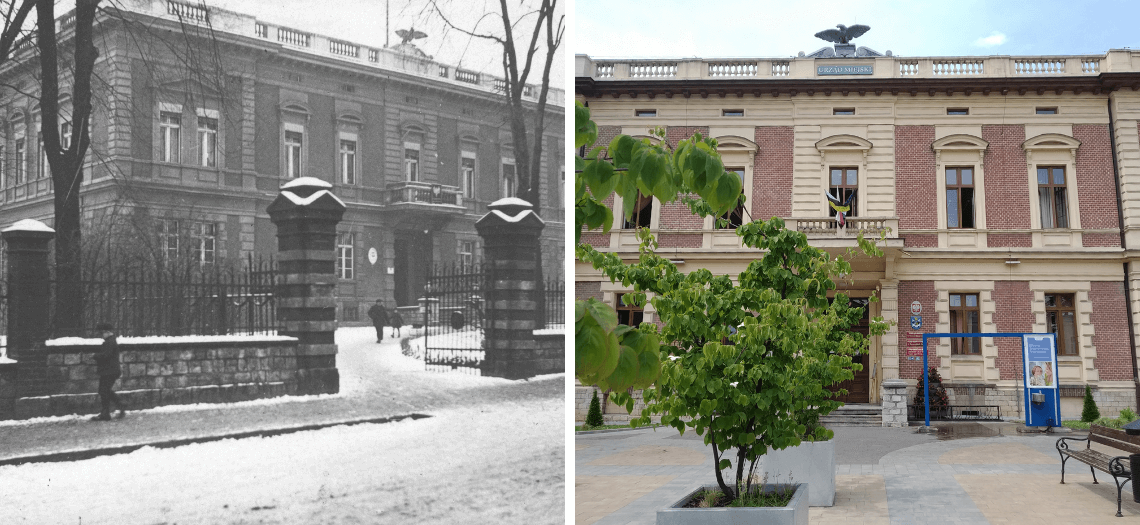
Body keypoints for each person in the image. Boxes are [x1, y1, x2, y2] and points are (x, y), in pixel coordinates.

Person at [90, 323, 125, 421]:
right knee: (104, 391)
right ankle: (117, 407)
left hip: (109, 371)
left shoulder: (109, 342)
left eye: (103, 333)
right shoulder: (110, 341)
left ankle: (107, 413)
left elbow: (106, 355)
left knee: (103, 391)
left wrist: (95, 355)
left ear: (107, 332)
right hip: (110, 371)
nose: (102, 335)